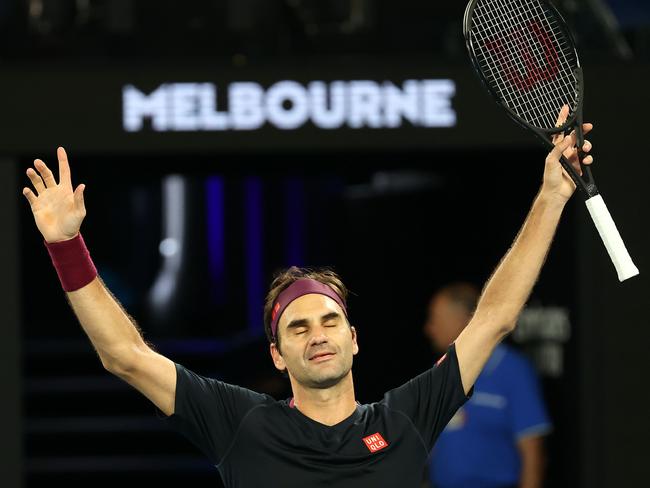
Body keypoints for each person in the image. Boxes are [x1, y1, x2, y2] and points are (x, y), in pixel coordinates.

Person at [21, 106, 592, 487]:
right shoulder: (240, 423)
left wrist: (550, 194)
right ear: (276, 355)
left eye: (329, 320)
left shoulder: (405, 420)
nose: (317, 333)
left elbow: (493, 318)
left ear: (354, 338)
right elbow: (125, 355)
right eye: (297, 327)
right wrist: (68, 246)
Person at [423, 282, 551, 488]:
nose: (429, 328)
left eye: (436, 319)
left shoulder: (512, 370)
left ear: (463, 320)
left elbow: (533, 451)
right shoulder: (439, 371)